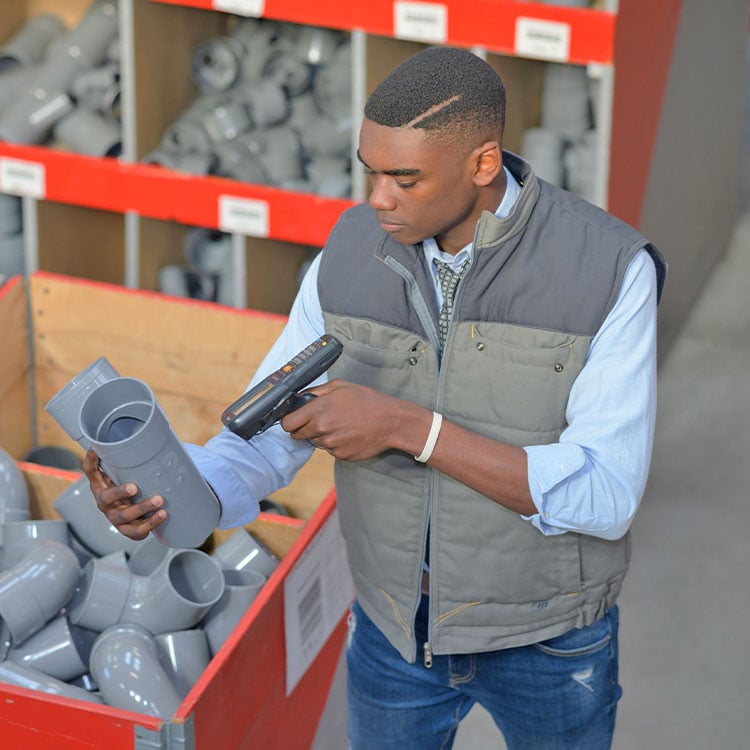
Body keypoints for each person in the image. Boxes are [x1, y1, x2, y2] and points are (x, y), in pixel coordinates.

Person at [84, 46, 666, 749]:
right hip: (392, 631)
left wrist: (408, 428)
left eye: (404, 179)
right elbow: (264, 444)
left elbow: (605, 496)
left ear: (483, 165)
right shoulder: (349, 254)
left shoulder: (607, 271)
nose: (376, 200)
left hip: (548, 638)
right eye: (371, 172)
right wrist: (168, 495)